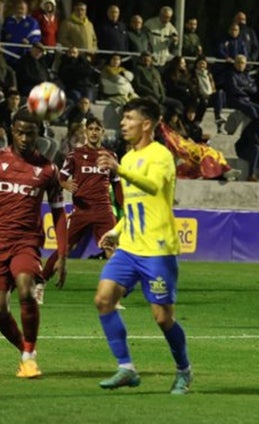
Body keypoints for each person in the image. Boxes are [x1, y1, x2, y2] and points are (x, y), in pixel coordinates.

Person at [93, 97, 192, 394]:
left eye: (129, 118)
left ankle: (184, 371)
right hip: (130, 248)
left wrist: (119, 171)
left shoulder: (160, 155)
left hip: (158, 249)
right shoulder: (127, 157)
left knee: (163, 318)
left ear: (146, 124)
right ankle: (126, 368)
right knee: (103, 299)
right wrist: (117, 229)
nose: (123, 124)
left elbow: (154, 187)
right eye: (123, 119)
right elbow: (136, 204)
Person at [0, 108, 67, 378]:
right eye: (18, 132)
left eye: (29, 133)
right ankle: (25, 350)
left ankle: (29, 355)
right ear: (11, 130)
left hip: (26, 242)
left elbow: (58, 212)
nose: (23, 138)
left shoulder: (47, 169)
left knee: (25, 288)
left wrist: (62, 254)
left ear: (38, 135)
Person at [41, 117, 123, 290]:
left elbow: (117, 185)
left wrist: (124, 206)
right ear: (86, 132)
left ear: (102, 132)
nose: (94, 132)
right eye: (91, 129)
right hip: (81, 210)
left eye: (97, 129)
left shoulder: (110, 156)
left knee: (111, 248)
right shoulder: (75, 155)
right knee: (65, 248)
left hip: (103, 210)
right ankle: (40, 282)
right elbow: (60, 178)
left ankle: (114, 291)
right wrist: (64, 184)